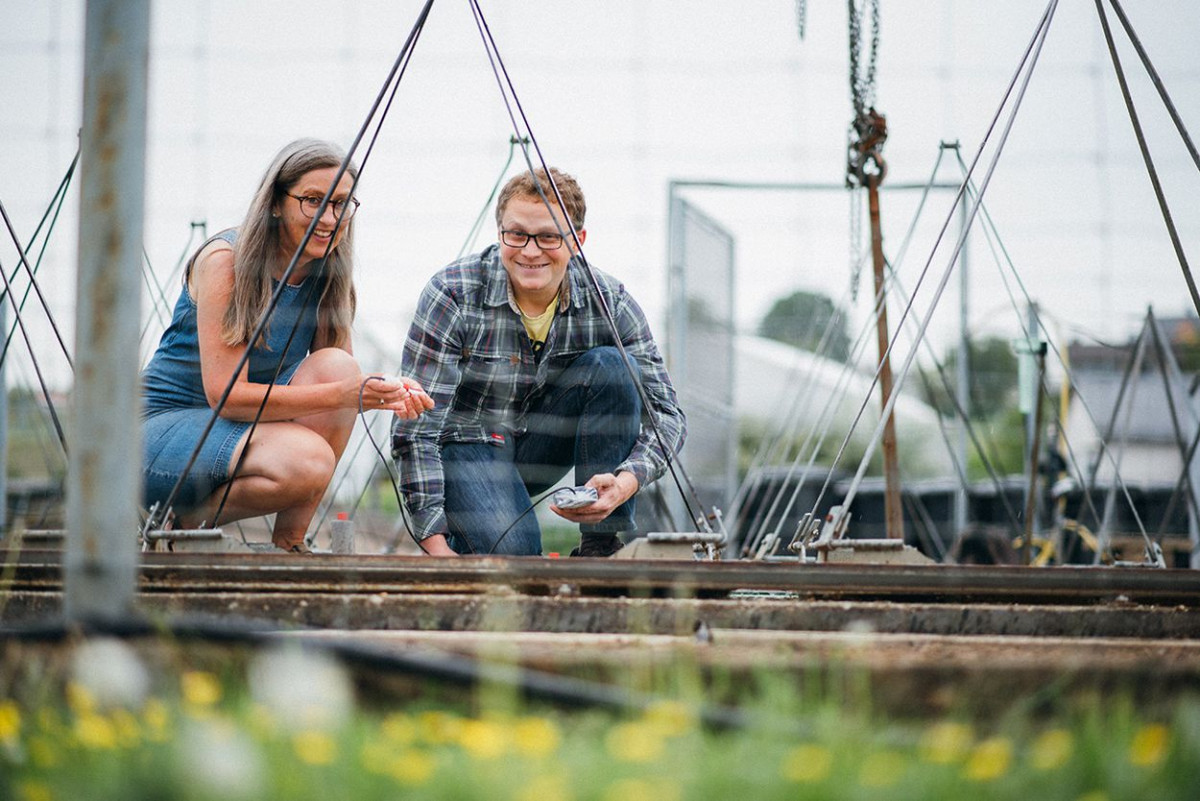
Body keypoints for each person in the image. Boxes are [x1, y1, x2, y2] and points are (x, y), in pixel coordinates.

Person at [141, 138, 433, 553]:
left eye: (342, 204)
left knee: (338, 367)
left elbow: (341, 392)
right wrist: (349, 393)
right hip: (160, 433)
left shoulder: (328, 276)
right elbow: (226, 398)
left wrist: (385, 391)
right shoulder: (225, 262)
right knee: (308, 459)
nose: (330, 218)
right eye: (314, 200)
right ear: (276, 202)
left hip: (239, 433)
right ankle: (181, 527)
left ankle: (290, 542)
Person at [392, 166, 686, 557]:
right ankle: (473, 533)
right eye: (517, 235)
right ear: (500, 234)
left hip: (541, 446)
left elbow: (667, 413)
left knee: (614, 366)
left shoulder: (609, 301)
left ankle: (601, 548)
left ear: (577, 240)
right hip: (467, 444)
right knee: (517, 554)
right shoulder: (454, 293)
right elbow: (416, 425)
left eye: (548, 236)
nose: (531, 251)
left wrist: (629, 479)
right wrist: (435, 545)